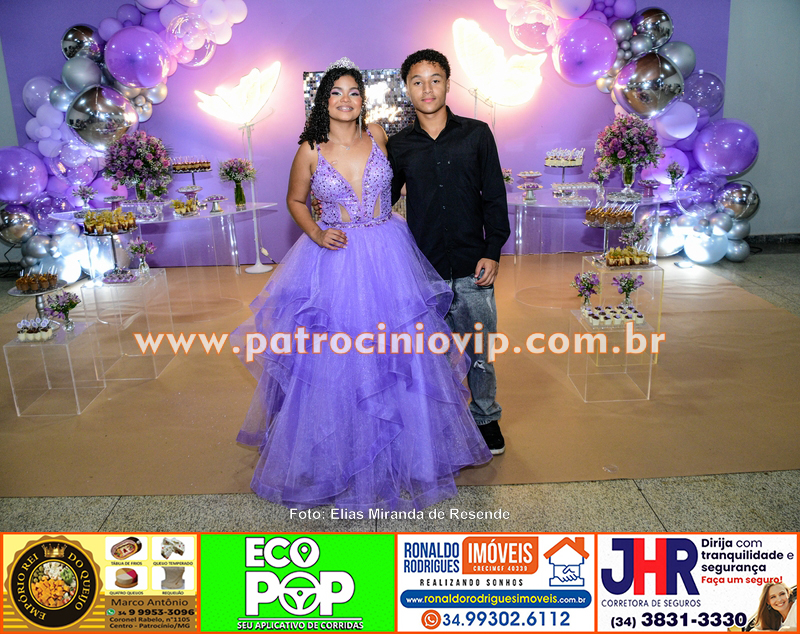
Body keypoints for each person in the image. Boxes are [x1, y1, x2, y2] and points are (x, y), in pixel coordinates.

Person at [233, 58, 492, 511]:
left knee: (401, 353)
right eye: (336, 93)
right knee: (339, 356)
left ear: (362, 100)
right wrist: (316, 233)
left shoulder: (378, 135)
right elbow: (295, 200)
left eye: (354, 92)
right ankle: (336, 452)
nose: (346, 99)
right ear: (324, 101)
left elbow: (407, 182)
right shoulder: (310, 149)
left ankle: (411, 451)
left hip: (389, 252)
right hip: (337, 259)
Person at [387, 49, 511, 454]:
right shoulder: (400, 146)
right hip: (425, 270)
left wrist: (493, 250)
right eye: (417, 81)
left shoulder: (477, 134)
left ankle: (486, 417)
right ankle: (442, 423)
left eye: (435, 79)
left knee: (480, 351)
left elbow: (494, 197)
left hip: (474, 265)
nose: (427, 88)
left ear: (447, 84)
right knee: (433, 357)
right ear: (407, 89)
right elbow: (382, 200)